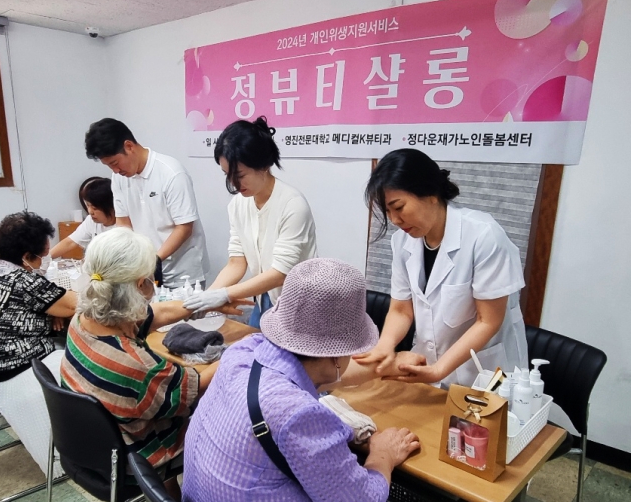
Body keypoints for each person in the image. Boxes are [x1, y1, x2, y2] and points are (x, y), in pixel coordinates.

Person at [182, 258, 421, 502]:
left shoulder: (243, 353)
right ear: (338, 355)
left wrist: (385, 366)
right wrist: (383, 456)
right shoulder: (301, 416)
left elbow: (320, 375)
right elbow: (362, 499)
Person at [60, 228, 249, 498]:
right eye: (151, 279)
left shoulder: (82, 321)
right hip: (134, 462)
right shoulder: (137, 366)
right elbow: (197, 386)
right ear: (140, 286)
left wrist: (203, 303)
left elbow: (153, 312)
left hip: (89, 446)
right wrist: (243, 348)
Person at [353, 149, 527, 388]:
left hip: (484, 374)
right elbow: (402, 310)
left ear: (430, 193)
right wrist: (384, 346)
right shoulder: (402, 242)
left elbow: (488, 321)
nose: (394, 220)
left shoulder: (484, 235)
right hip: (430, 366)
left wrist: (439, 370)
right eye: (388, 212)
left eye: (399, 207)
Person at [0, 211, 78, 477]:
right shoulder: (24, 280)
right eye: (43, 255)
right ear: (27, 257)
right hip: (14, 367)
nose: (44, 261)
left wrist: (47, 313)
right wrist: (53, 310)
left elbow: (45, 307)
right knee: (88, 361)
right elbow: (74, 304)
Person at [184, 117, 317, 328]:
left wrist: (224, 294)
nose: (233, 183)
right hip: (264, 296)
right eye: (227, 175)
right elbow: (237, 263)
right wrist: (208, 298)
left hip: (298, 303)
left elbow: (279, 274)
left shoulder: (292, 205)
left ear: (263, 164)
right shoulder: (238, 205)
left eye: (240, 175)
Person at [84, 118, 209, 288]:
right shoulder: (119, 177)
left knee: (183, 313)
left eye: (115, 163)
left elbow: (185, 227)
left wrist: (154, 260)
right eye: (109, 166)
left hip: (182, 272)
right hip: (145, 270)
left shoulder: (171, 173)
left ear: (129, 146)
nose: (115, 171)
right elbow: (123, 223)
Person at [49, 177, 116, 259]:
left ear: (111, 207)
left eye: (95, 208)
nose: (90, 211)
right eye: (88, 205)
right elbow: (70, 242)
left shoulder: (124, 225)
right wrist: (44, 260)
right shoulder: (91, 221)